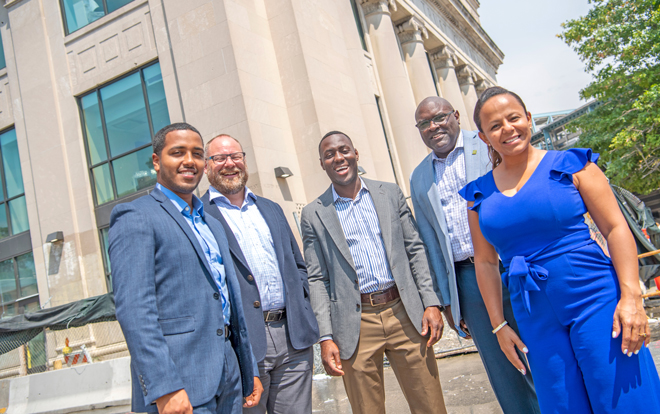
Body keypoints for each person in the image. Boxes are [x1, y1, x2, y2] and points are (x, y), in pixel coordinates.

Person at [460, 86, 660, 413]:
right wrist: (499, 326)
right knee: (562, 405)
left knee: (624, 399)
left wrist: (631, 298)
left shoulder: (571, 165)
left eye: (513, 118)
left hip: (595, 298)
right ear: (484, 138)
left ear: (528, 119)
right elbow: (484, 263)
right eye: (495, 126)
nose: (507, 129)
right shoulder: (477, 195)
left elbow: (615, 228)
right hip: (534, 315)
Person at [109, 123, 263, 414]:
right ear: (156, 161)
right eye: (177, 152)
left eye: (196, 153)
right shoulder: (135, 217)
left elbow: (230, 304)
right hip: (179, 385)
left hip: (228, 378)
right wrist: (164, 386)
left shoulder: (212, 225)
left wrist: (247, 367)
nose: (189, 161)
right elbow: (134, 310)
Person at [301, 131, 448, 414]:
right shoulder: (314, 214)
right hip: (355, 323)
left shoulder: (389, 193)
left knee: (430, 405)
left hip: (405, 312)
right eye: (329, 154)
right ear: (322, 163)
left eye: (343, 150)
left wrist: (431, 302)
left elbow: (415, 249)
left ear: (356, 153)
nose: (338, 158)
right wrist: (326, 336)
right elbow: (317, 278)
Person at [409, 97, 540, 414]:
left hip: (515, 264)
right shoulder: (419, 177)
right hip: (467, 280)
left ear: (455, 115)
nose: (434, 126)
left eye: (439, 117)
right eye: (424, 123)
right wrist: (447, 300)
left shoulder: (487, 143)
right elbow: (429, 242)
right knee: (503, 367)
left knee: (544, 350)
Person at [200, 134, 320, 414]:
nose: (229, 164)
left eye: (236, 156)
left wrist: (301, 305)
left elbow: (298, 265)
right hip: (242, 346)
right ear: (207, 167)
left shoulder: (271, 208)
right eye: (219, 158)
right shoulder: (200, 215)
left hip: (293, 338)